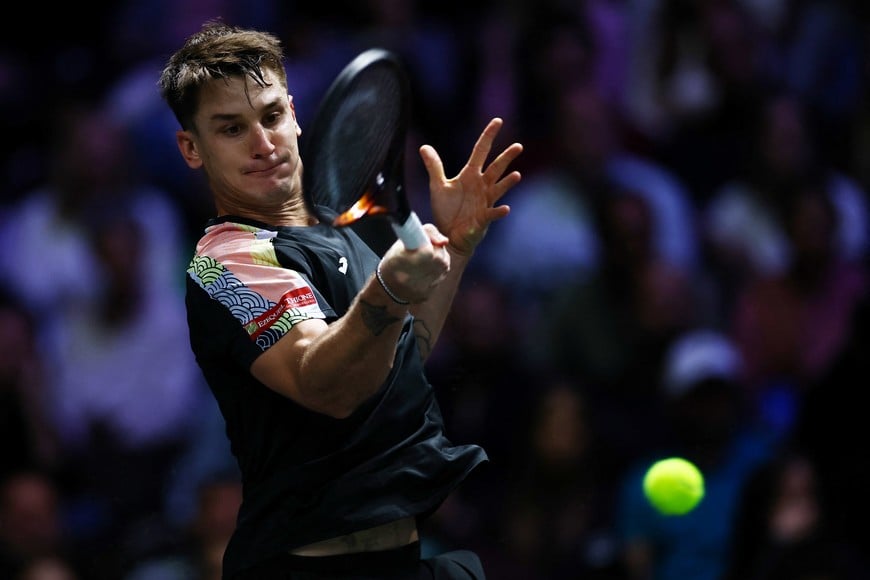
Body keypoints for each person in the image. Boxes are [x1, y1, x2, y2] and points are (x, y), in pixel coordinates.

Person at [157, 20, 523, 580]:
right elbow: (326, 385)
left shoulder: (345, 230)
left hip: (403, 558)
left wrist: (460, 245)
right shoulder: (228, 259)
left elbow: (396, 362)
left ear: (295, 114)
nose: (263, 144)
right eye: (231, 129)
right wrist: (390, 288)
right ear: (191, 148)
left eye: (272, 116)